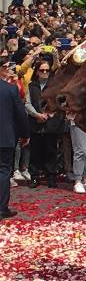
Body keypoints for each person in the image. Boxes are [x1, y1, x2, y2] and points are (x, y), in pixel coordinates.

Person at [0, 65, 30, 217]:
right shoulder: (10, 89)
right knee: (4, 171)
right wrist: (25, 134)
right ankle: (1, 209)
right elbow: (20, 114)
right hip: (5, 137)